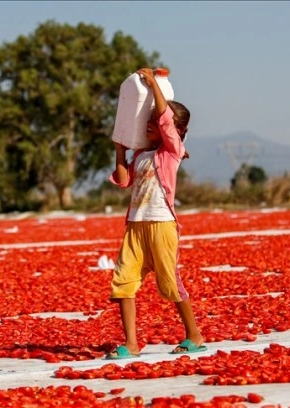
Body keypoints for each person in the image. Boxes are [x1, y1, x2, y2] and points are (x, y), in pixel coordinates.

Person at [107, 67, 205, 359]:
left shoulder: (172, 152)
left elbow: (166, 122)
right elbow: (124, 181)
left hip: (161, 224)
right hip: (136, 226)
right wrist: (120, 150)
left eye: (155, 122)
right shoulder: (141, 155)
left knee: (170, 282)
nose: (150, 124)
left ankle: (194, 335)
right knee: (123, 281)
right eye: (146, 121)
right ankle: (131, 344)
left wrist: (152, 83)